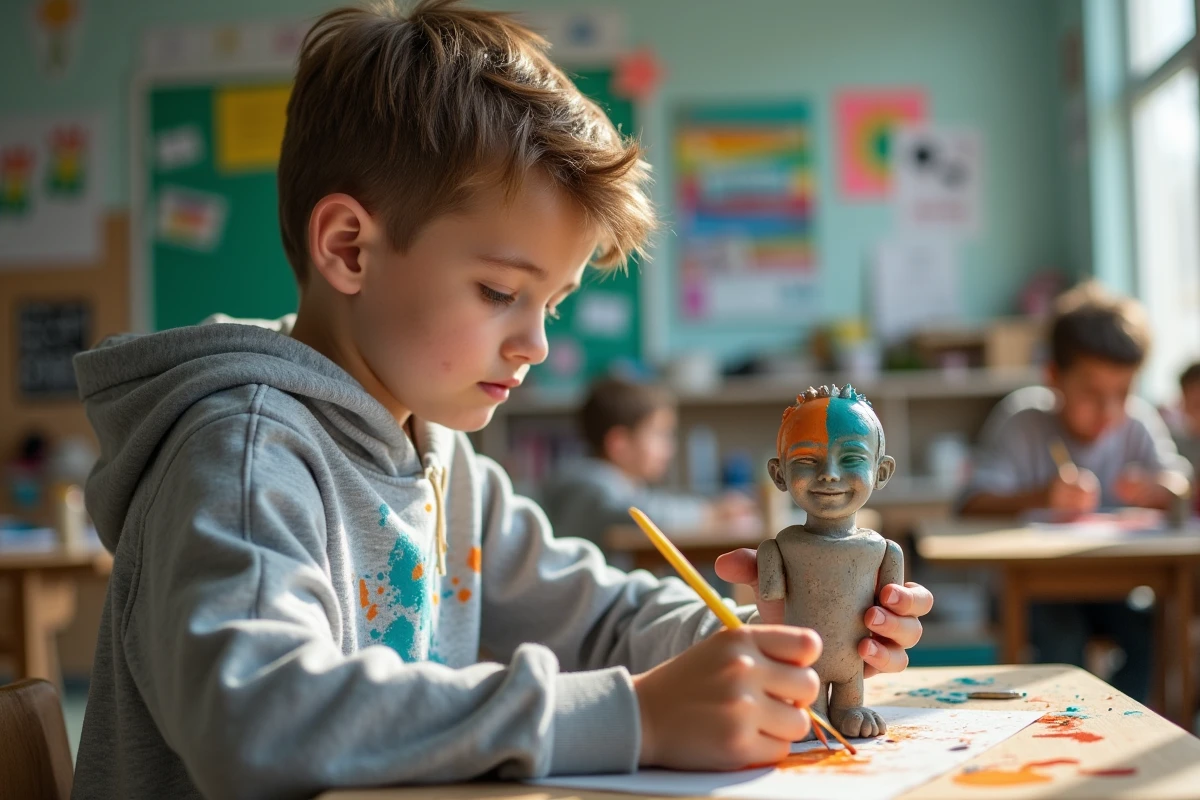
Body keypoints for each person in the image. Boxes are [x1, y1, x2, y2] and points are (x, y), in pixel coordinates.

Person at [70, 3, 932, 798]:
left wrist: (771, 637)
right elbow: (255, 719)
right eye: (497, 292)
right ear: (348, 248)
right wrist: (635, 716)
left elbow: (599, 619)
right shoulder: (245, 452)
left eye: (551, 303)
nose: (537, 345)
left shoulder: (440, 454)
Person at [959, 281, 1190, 700]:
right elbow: (971, 505)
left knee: (1153, 638)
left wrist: (1162, 490)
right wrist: (1040, 497)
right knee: (1062, 647)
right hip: (1034, 589)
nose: (1109, 410)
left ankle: (1121, 722)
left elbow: (1180, 486)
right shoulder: (1022, 420)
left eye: (1122, 392)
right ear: (1053, 377)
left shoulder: (1136, 424)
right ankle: (1071, 725)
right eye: (1091, 392)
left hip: (1114, 586)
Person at [540, 376, 756, 558]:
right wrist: (712, 511)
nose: (670, 448)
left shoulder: (620, 484)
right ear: (619, 444)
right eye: (659, 435)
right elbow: (645, 516)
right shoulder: (588, 483)